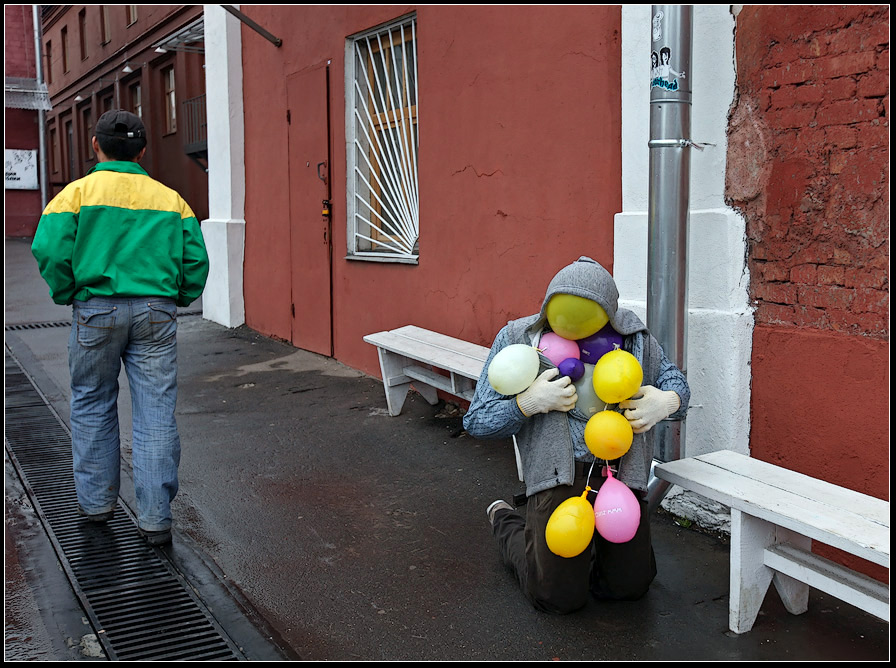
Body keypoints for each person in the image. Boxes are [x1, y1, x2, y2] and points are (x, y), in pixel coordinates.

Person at [463, 256, 689, 614]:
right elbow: (476, 421)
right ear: (548, 307)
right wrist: (526, 403)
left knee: (629, 587)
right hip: (558, 476)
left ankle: (587, 551)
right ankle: (507, 521)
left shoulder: (635, 339)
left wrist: (668, 401)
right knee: (556, 597)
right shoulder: (518, 338)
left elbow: (676, 383)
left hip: (620, 475)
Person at [31, 109, 210, 546]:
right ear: (143, 149)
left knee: (92, 401)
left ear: (96, 145)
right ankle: (154, 518)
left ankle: (95, 505)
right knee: (154, 408)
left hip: (95, 310)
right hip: (156, 312)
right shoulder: (171, 200)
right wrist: (177, 298)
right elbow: (195, 262)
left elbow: (49, 250)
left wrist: (70, 291)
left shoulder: (75, 195)